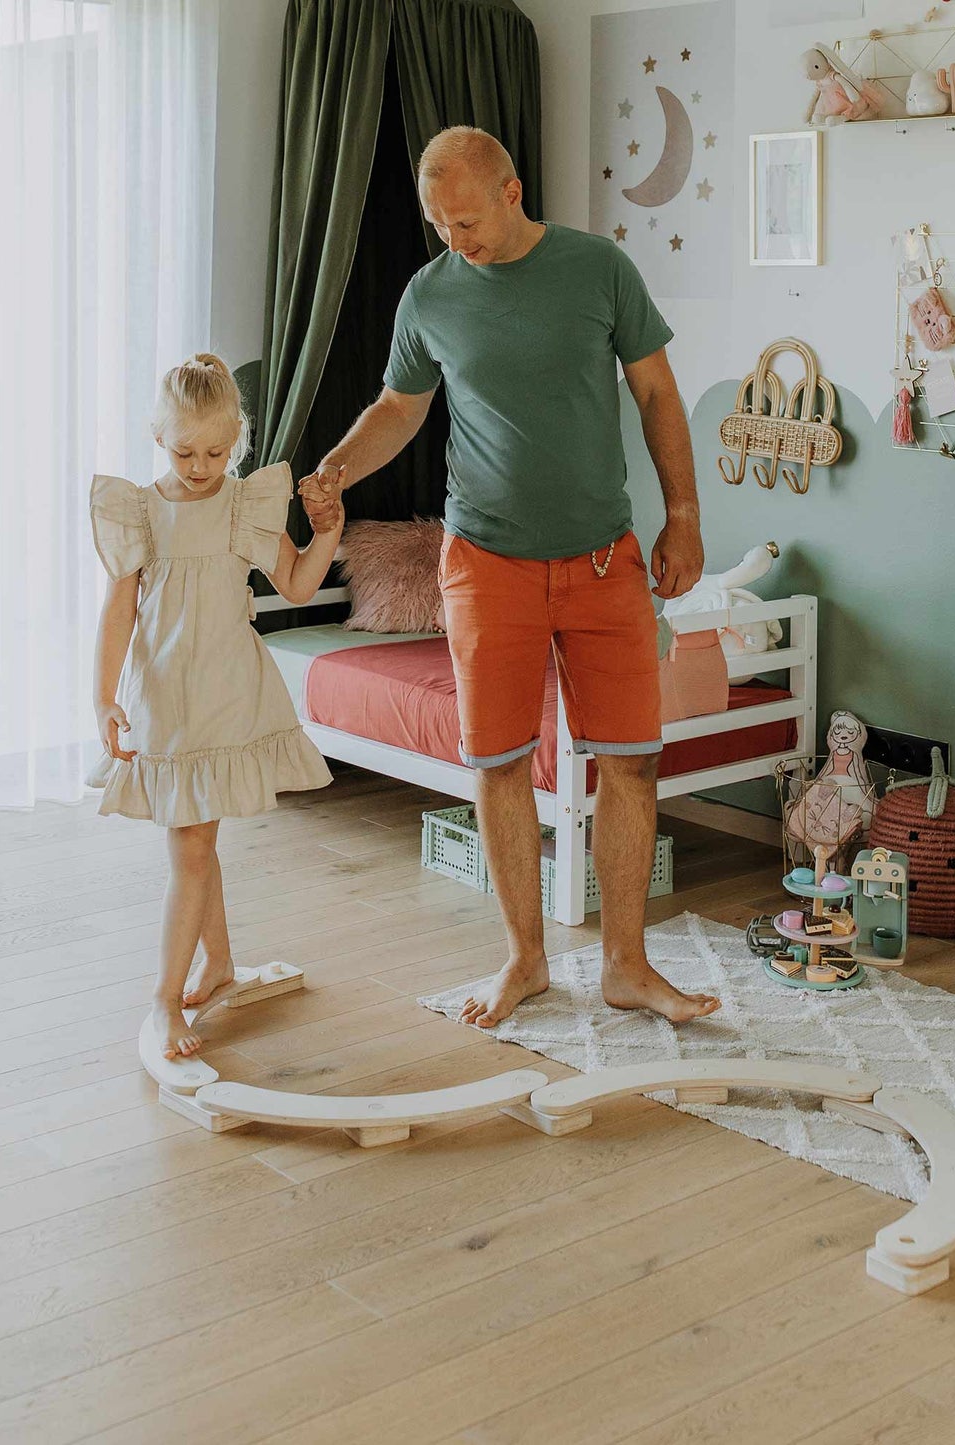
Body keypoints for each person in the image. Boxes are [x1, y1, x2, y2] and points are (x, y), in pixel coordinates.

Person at [296, 126, 720, 1028]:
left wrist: (682, 516)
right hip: (485, 563)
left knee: (632, 763)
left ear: (512, 190)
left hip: (604, 559)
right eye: (439, 225)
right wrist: (335, 465)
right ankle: (524, 960)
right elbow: (398, 409)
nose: (458, 240)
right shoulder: (429, 295)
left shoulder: (598, 269)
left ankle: (626, 965)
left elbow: (656, 393)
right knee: (495, 764)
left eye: (466, 219)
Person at [89, 353, 342, 1060]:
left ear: (238, 438)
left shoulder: (245, 503)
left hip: (228, 694)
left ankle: (167, 997)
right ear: (156, 435)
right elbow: (119, 612)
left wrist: (327, 532)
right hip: (166, 700)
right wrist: (102, 698)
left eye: (217, 451)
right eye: (183, 450)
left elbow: (294, 584)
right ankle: (216, 965)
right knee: (195, 845)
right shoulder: (138, 509)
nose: (201, 465)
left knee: (194, 846)